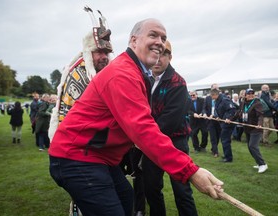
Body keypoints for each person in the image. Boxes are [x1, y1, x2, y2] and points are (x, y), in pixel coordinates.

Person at [49, 18, 224, 216]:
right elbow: (142, 128)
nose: (160, 42)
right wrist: (190, 171)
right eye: (153, 35)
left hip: (99, 157)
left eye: (163, 38)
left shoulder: (137, 73)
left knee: (128, 203)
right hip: (77, 156)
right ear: (133, 40)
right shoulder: (123, 74)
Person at [48, 6, 113, 216]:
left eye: (106, 52)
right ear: (88, 52)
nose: (104, 56)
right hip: (79, 153)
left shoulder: (102, 74)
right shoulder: (79, 76)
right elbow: (70, 120)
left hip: (97, 150)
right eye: (99, 52)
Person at [141, 40, 198, 216]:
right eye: (154, 55)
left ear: (170, 57)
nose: (157, 60)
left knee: (182, 191)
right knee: (151, 188)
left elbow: (170, 120)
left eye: (162, 55)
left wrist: (143, 135)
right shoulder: (146, 79)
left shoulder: (177, 82)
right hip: (152, 142)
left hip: (174, 142)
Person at [231, 88, 268, 173]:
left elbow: (260, 115)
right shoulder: (243, 103)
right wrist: (230, 119)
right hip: (247, 128)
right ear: (245, 95)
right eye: (249, 94)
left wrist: (260, 124)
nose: (251, 95)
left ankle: (262, 164)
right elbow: (238, 112)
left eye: (252, 94)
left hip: (256, 128)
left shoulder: (257, 103)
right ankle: (259, 163)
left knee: (252, 146)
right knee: (250, 147)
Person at [210, 89, 237, 162]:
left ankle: (228, 158)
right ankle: (226, 154)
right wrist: (219, 117)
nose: (211, 97)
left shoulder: (225, 100)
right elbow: (221, 111)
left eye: (212, 96)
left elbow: (232, 110)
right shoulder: (218, 100)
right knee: (224, 139)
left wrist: (228, 118)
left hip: (228, 122)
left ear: (215, 94)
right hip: (223, 122)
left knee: (225, 140)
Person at [201, 83, 221, 157]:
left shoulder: (221, 98)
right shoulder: (208, 98)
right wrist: (205, 114)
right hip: (210, 119)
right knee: (213, 136)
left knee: (218, 136)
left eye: (217, 89)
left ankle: (213, 148)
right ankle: (215, 152)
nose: (215, 90)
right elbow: (204, 108)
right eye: (214, 89)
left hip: (219, 119)